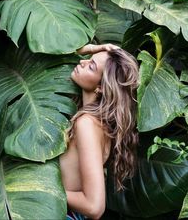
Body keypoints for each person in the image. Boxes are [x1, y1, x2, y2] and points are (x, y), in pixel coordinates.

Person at [60, 43, 139, 220]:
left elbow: (94, 207)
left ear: (101, 87)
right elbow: (50, 50)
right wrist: (92, 49)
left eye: (91, 66)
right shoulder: (98, 123)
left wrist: (42, 191)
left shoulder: (86, 124)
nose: (82, 62)